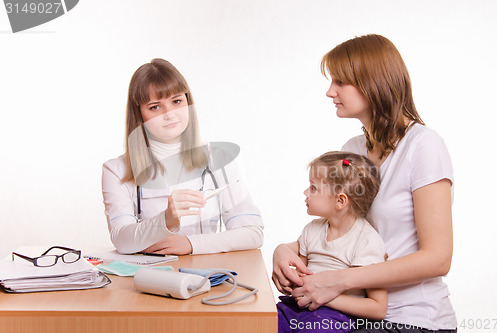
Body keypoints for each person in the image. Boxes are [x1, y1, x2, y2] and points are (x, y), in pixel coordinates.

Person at [272, 34, 457, 332]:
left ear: (374, 82)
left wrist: (338, 281)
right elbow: (345, 231)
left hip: (411, 319)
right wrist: (284, 249)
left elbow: (437, 259)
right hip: (349, 314)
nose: (330, 92)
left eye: (340, 82)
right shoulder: (353, 150)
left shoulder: (423, 146)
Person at [102, 58, 263, 255]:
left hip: (207, 278)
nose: (169, 114)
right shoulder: (116, 170)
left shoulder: (219, 159)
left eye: (177, 101)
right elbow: (122, 241)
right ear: (139, 113)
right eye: (155, 107)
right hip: (149, 279)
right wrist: (165, 220)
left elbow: (253, 233)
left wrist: (190, 244)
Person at [277, 151, 387, 333]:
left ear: (340, 200)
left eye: (313, 188)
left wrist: (326, 297)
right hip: (297, 307)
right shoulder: (312, 229)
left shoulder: (366, 240)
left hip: (334, 316)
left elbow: (377, 308)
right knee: (261, 321)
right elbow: (301, 274)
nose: (305, 193)